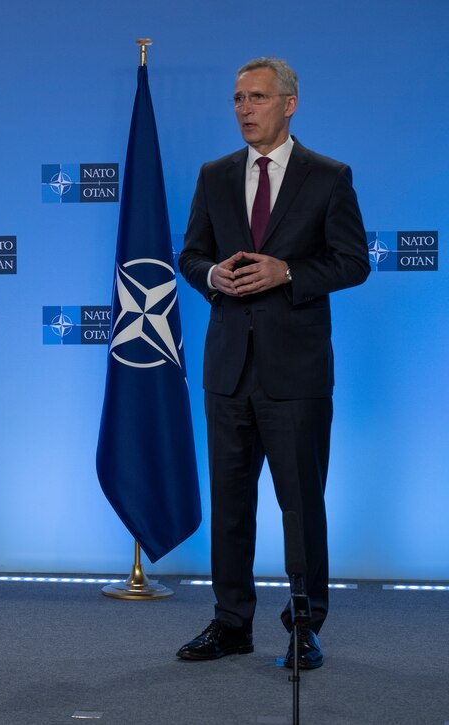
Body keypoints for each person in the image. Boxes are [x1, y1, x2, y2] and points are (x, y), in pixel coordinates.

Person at [176, 57, 369, 669]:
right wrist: (213, 277)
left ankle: (303, 627)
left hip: (296, 374)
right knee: (231, 505)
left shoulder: (329, 177)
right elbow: (190, 254)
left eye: (256, 97)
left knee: (300, 507)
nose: (243, 109)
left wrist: (288, 272)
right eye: (236, 98)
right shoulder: (214, 175)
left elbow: (354, 262)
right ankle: (231, 623)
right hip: (228, 369)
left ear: (289, 104)